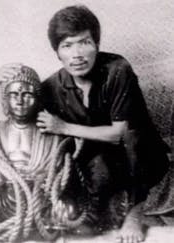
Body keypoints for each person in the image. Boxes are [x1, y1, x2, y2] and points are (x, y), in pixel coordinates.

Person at [35, 5, 170, 243]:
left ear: (96, 44)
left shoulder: (117, 69)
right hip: (96, 158)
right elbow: (22, 116)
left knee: (132, 136)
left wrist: (64, 127)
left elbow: (119, 133)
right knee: (87, 218)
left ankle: (135, 212)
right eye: (67, 45)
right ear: (57, 52)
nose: (77, 54)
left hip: (139, 153)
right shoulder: (51, 87)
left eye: (84, 42)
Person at [0, 64, 85, 242]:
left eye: (27, 95)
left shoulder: (53, 134)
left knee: (67, 209)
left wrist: (47, 193)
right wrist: (16, 192)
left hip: (43, 199)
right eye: (14, 95)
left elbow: (64, 184)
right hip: (7, 199)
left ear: (38, 99)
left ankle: (41, 221)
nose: (20, 101)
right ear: (5, 99)